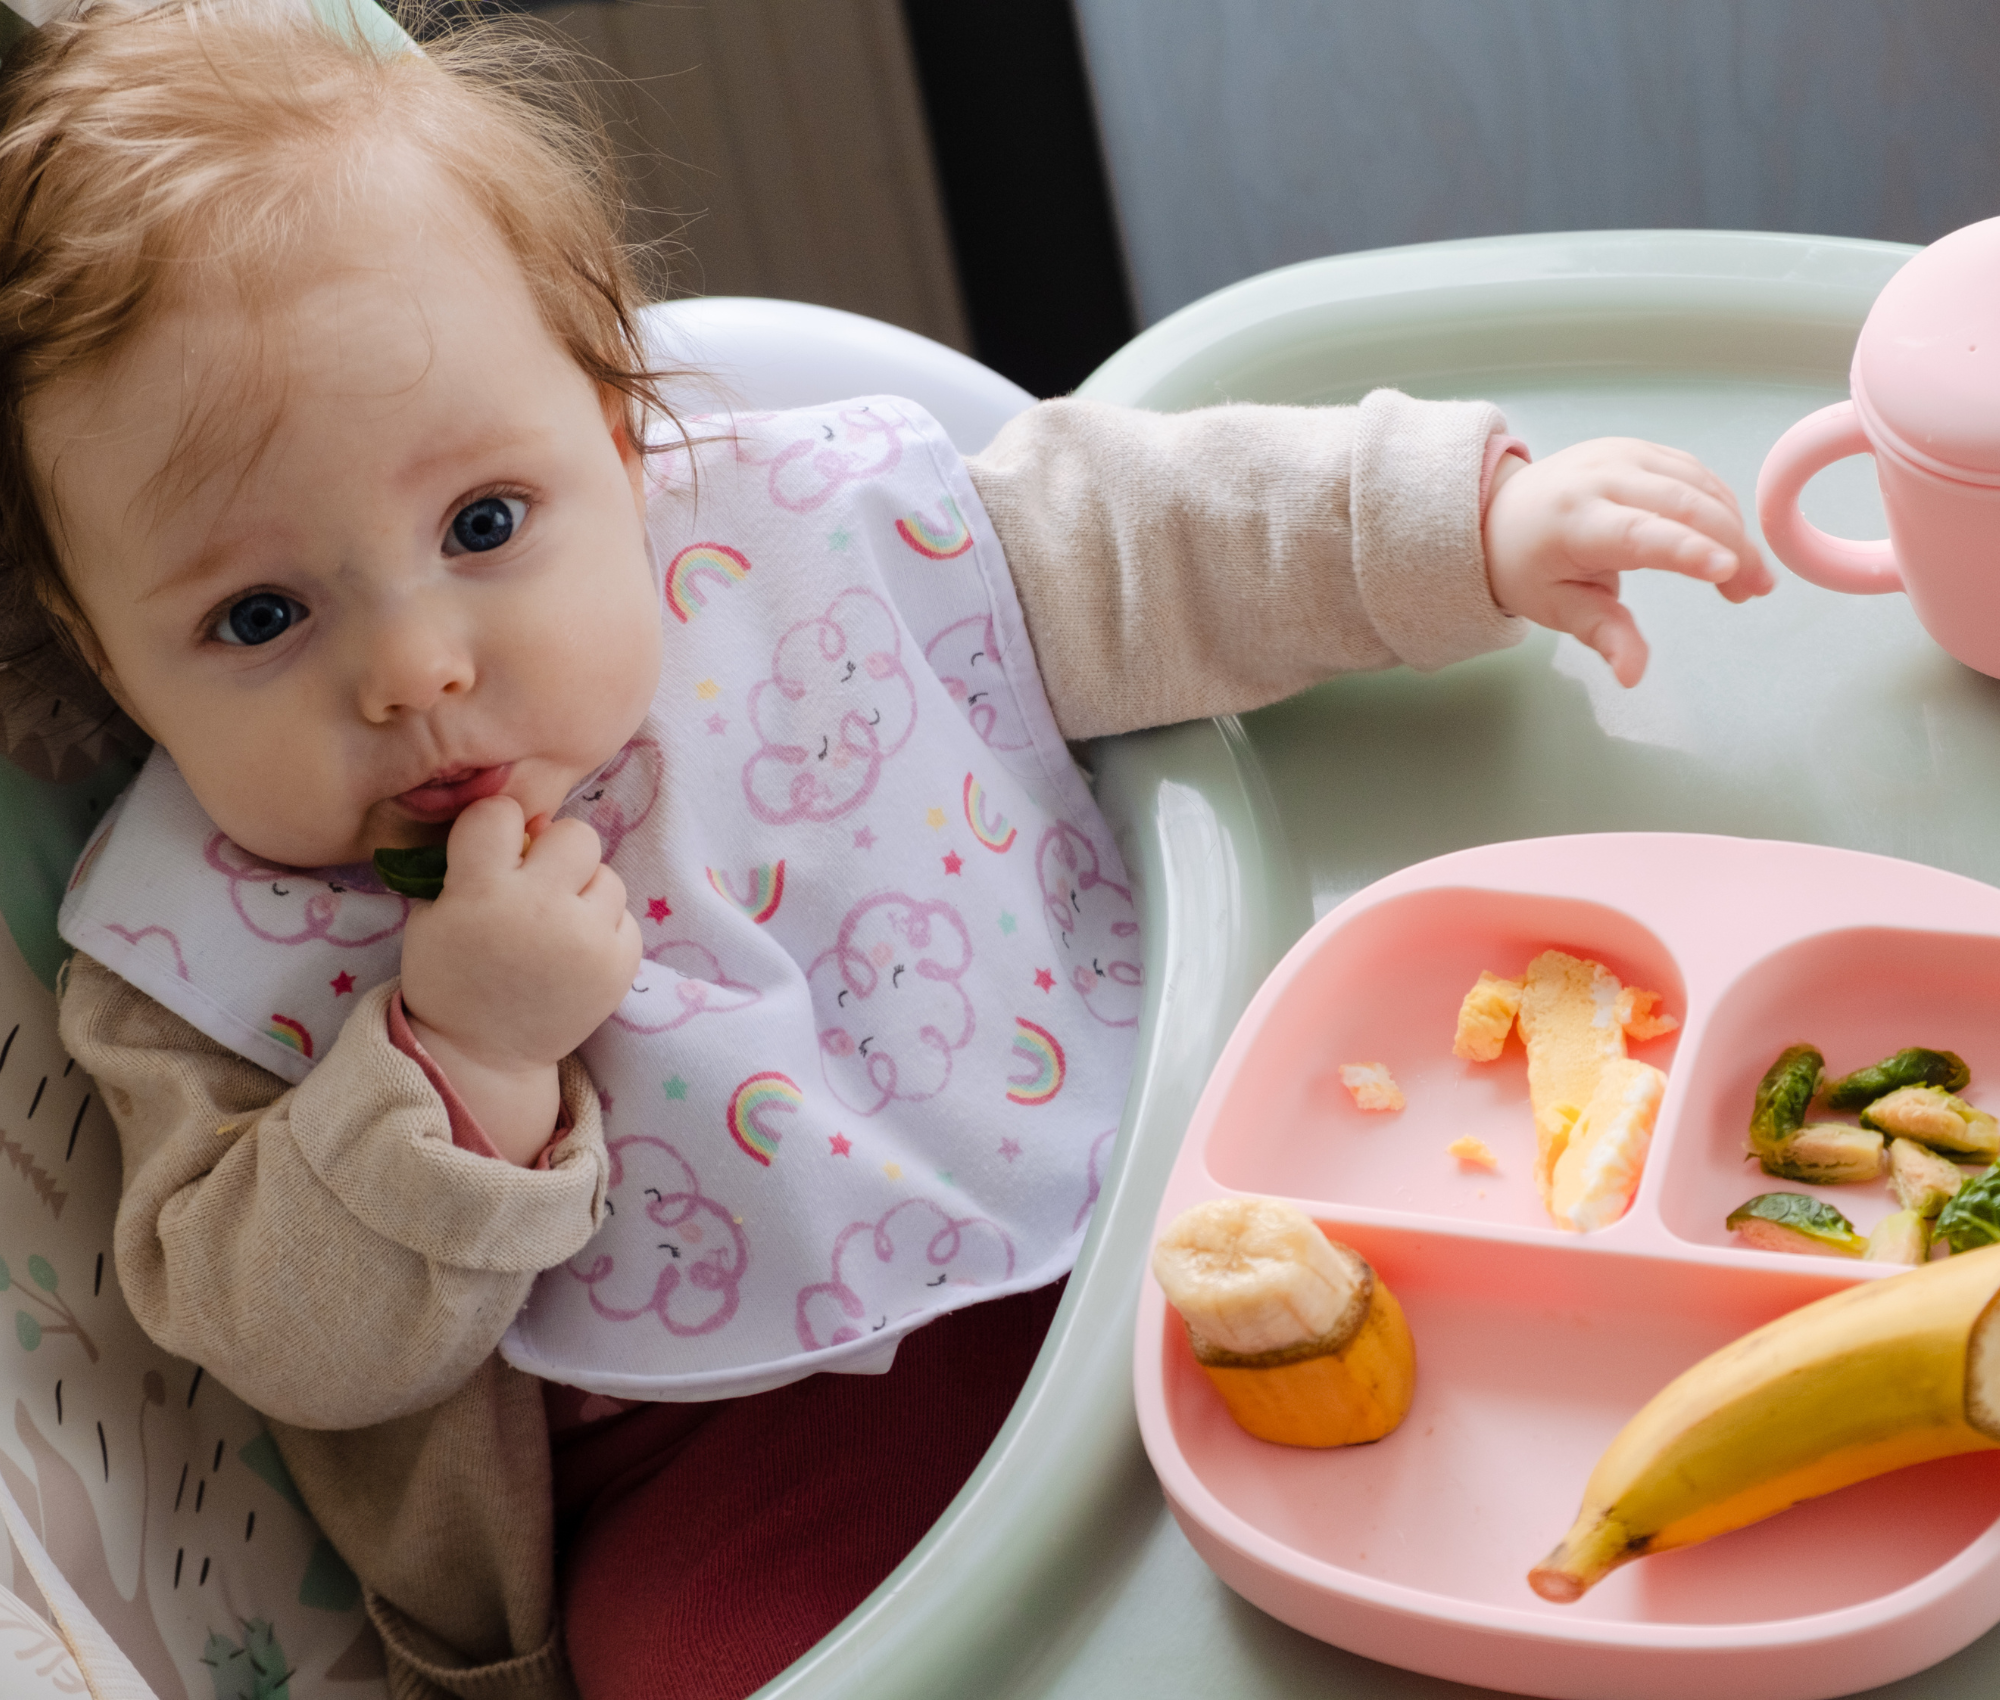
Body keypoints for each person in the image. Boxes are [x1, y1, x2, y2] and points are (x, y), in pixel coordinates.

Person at [0, 1, 1771, 1696]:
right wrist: (461, 1063)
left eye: (482, 522)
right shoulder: (182, 957)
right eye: (257, 618)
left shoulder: (800, 544)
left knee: (1507, 1469)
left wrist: (1460, 525)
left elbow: (1143, 541)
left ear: (618, 439)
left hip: (1165, 1219)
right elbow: (283, 1338)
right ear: (110, 659)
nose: (416, 668)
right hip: (719, 1482)